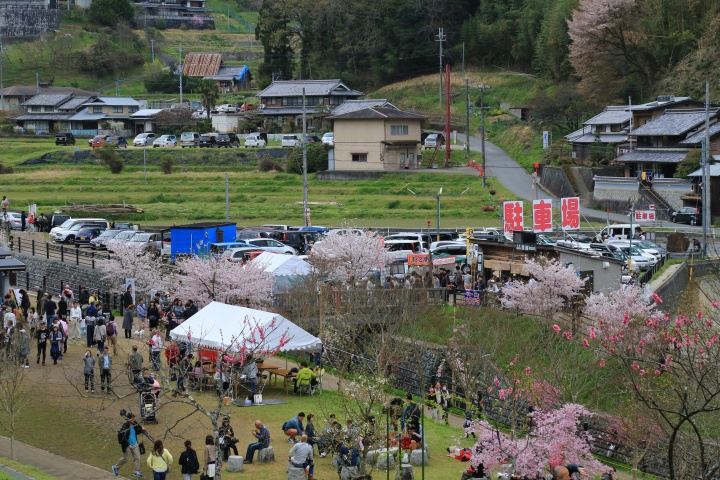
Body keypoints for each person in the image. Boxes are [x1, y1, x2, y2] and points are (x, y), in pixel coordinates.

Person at [113, 412, 146, 478]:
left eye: (134, 418)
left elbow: (137, 431)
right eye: (132, 419)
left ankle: (136, 471)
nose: (134, 420)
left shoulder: (134, 424)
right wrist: (128, 445)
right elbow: (124, 437)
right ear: (129, 419)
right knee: (125, 458)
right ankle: (115, 467)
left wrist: (142, 429)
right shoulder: (125, 426)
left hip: (135, 444)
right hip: (128, 445)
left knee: (137, 458)